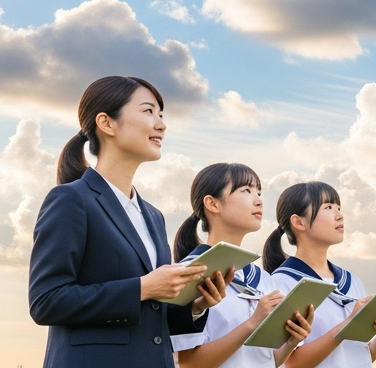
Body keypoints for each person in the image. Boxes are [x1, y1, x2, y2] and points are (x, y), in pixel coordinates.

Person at [29, 76, 233, 368]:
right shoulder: (71, 200)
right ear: (107, 123)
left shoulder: (152, 215)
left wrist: (197, 306)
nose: (161, 124)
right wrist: (143, 287)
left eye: (161, 115)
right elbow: (46, 301)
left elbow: (152, 317)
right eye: (148, 111)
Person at [171, 163, 315, 367]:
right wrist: (252, 323)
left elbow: (266, 360)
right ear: (213, 204)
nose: (258, 200)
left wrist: (291, 342)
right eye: (246, 190)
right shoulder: (188, 274)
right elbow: (188, 363)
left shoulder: (263, 279)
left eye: (259, 192)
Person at [263, 182, 376, 368]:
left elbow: (359, 356)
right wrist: (348, 323)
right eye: (328, 207)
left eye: (338, 207)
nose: (339, 215)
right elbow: (291, 363)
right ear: (298, 222)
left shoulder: (352, 281)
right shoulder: (282, 283)